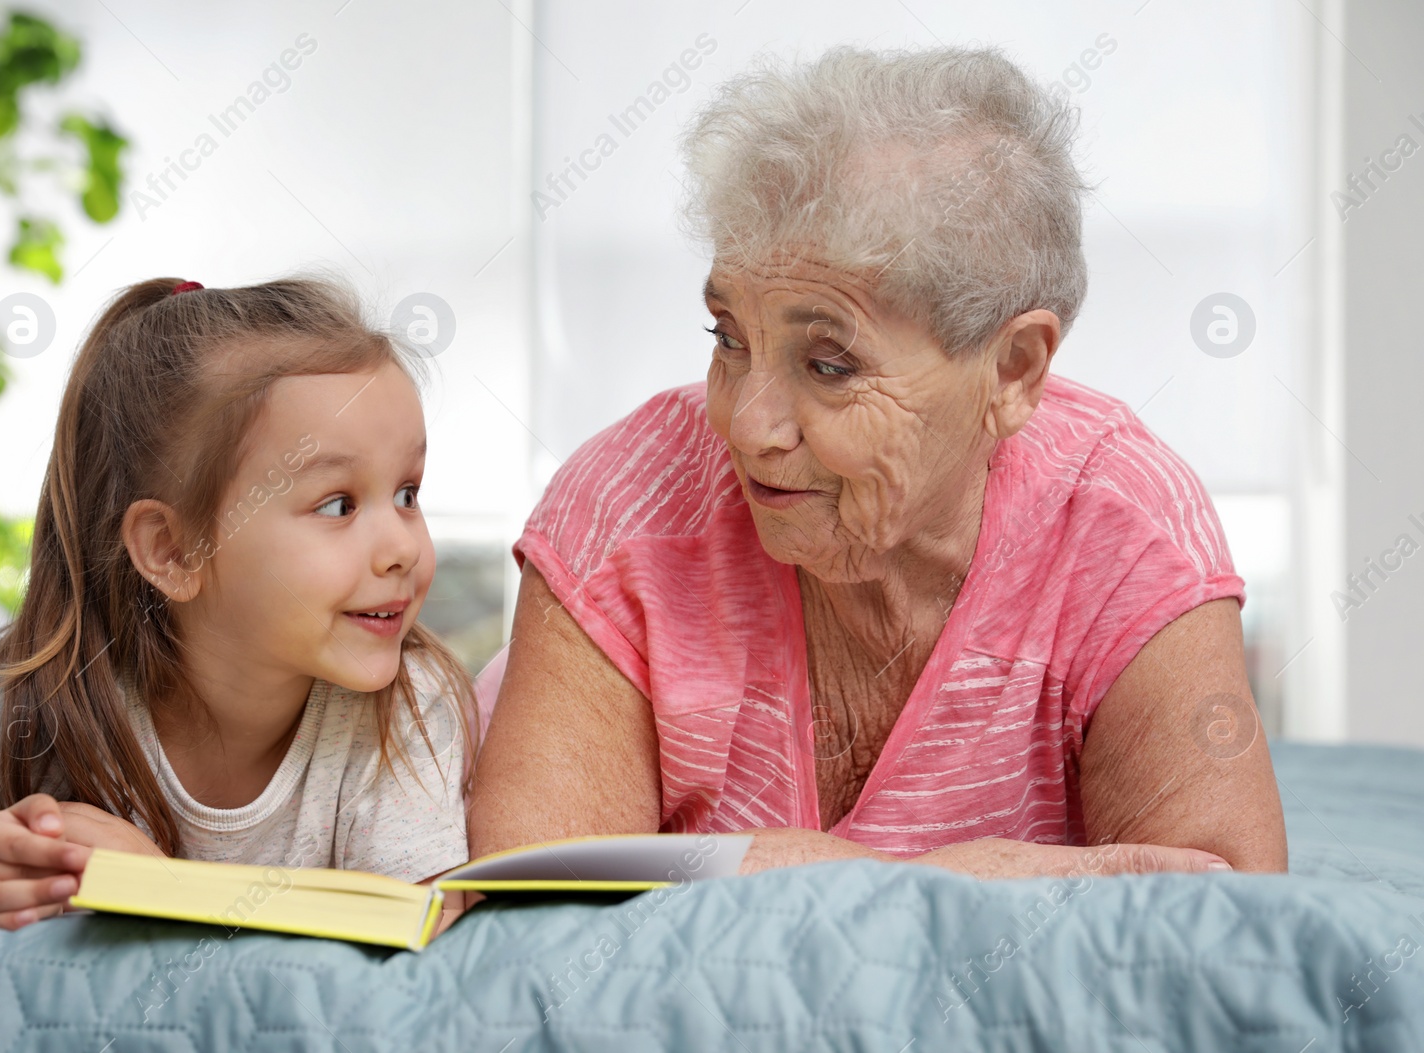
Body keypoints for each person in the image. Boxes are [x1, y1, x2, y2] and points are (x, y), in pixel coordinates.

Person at [469, 46, 1288, 879]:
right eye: (729, 337)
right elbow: (540, 909)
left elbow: (1226, 915)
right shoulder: (625, 501)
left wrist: (768, 871)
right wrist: (965, 884)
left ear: (1012, 371)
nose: (747, 426)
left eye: (830, 364)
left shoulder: (1127, 529)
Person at [0, 277, 479, 930]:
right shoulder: (59, 703)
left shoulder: (407, 710)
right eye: (339, 503)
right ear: (174, 550)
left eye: (407, 492)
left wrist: (168, 887)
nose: (402, 544)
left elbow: (424, 918)